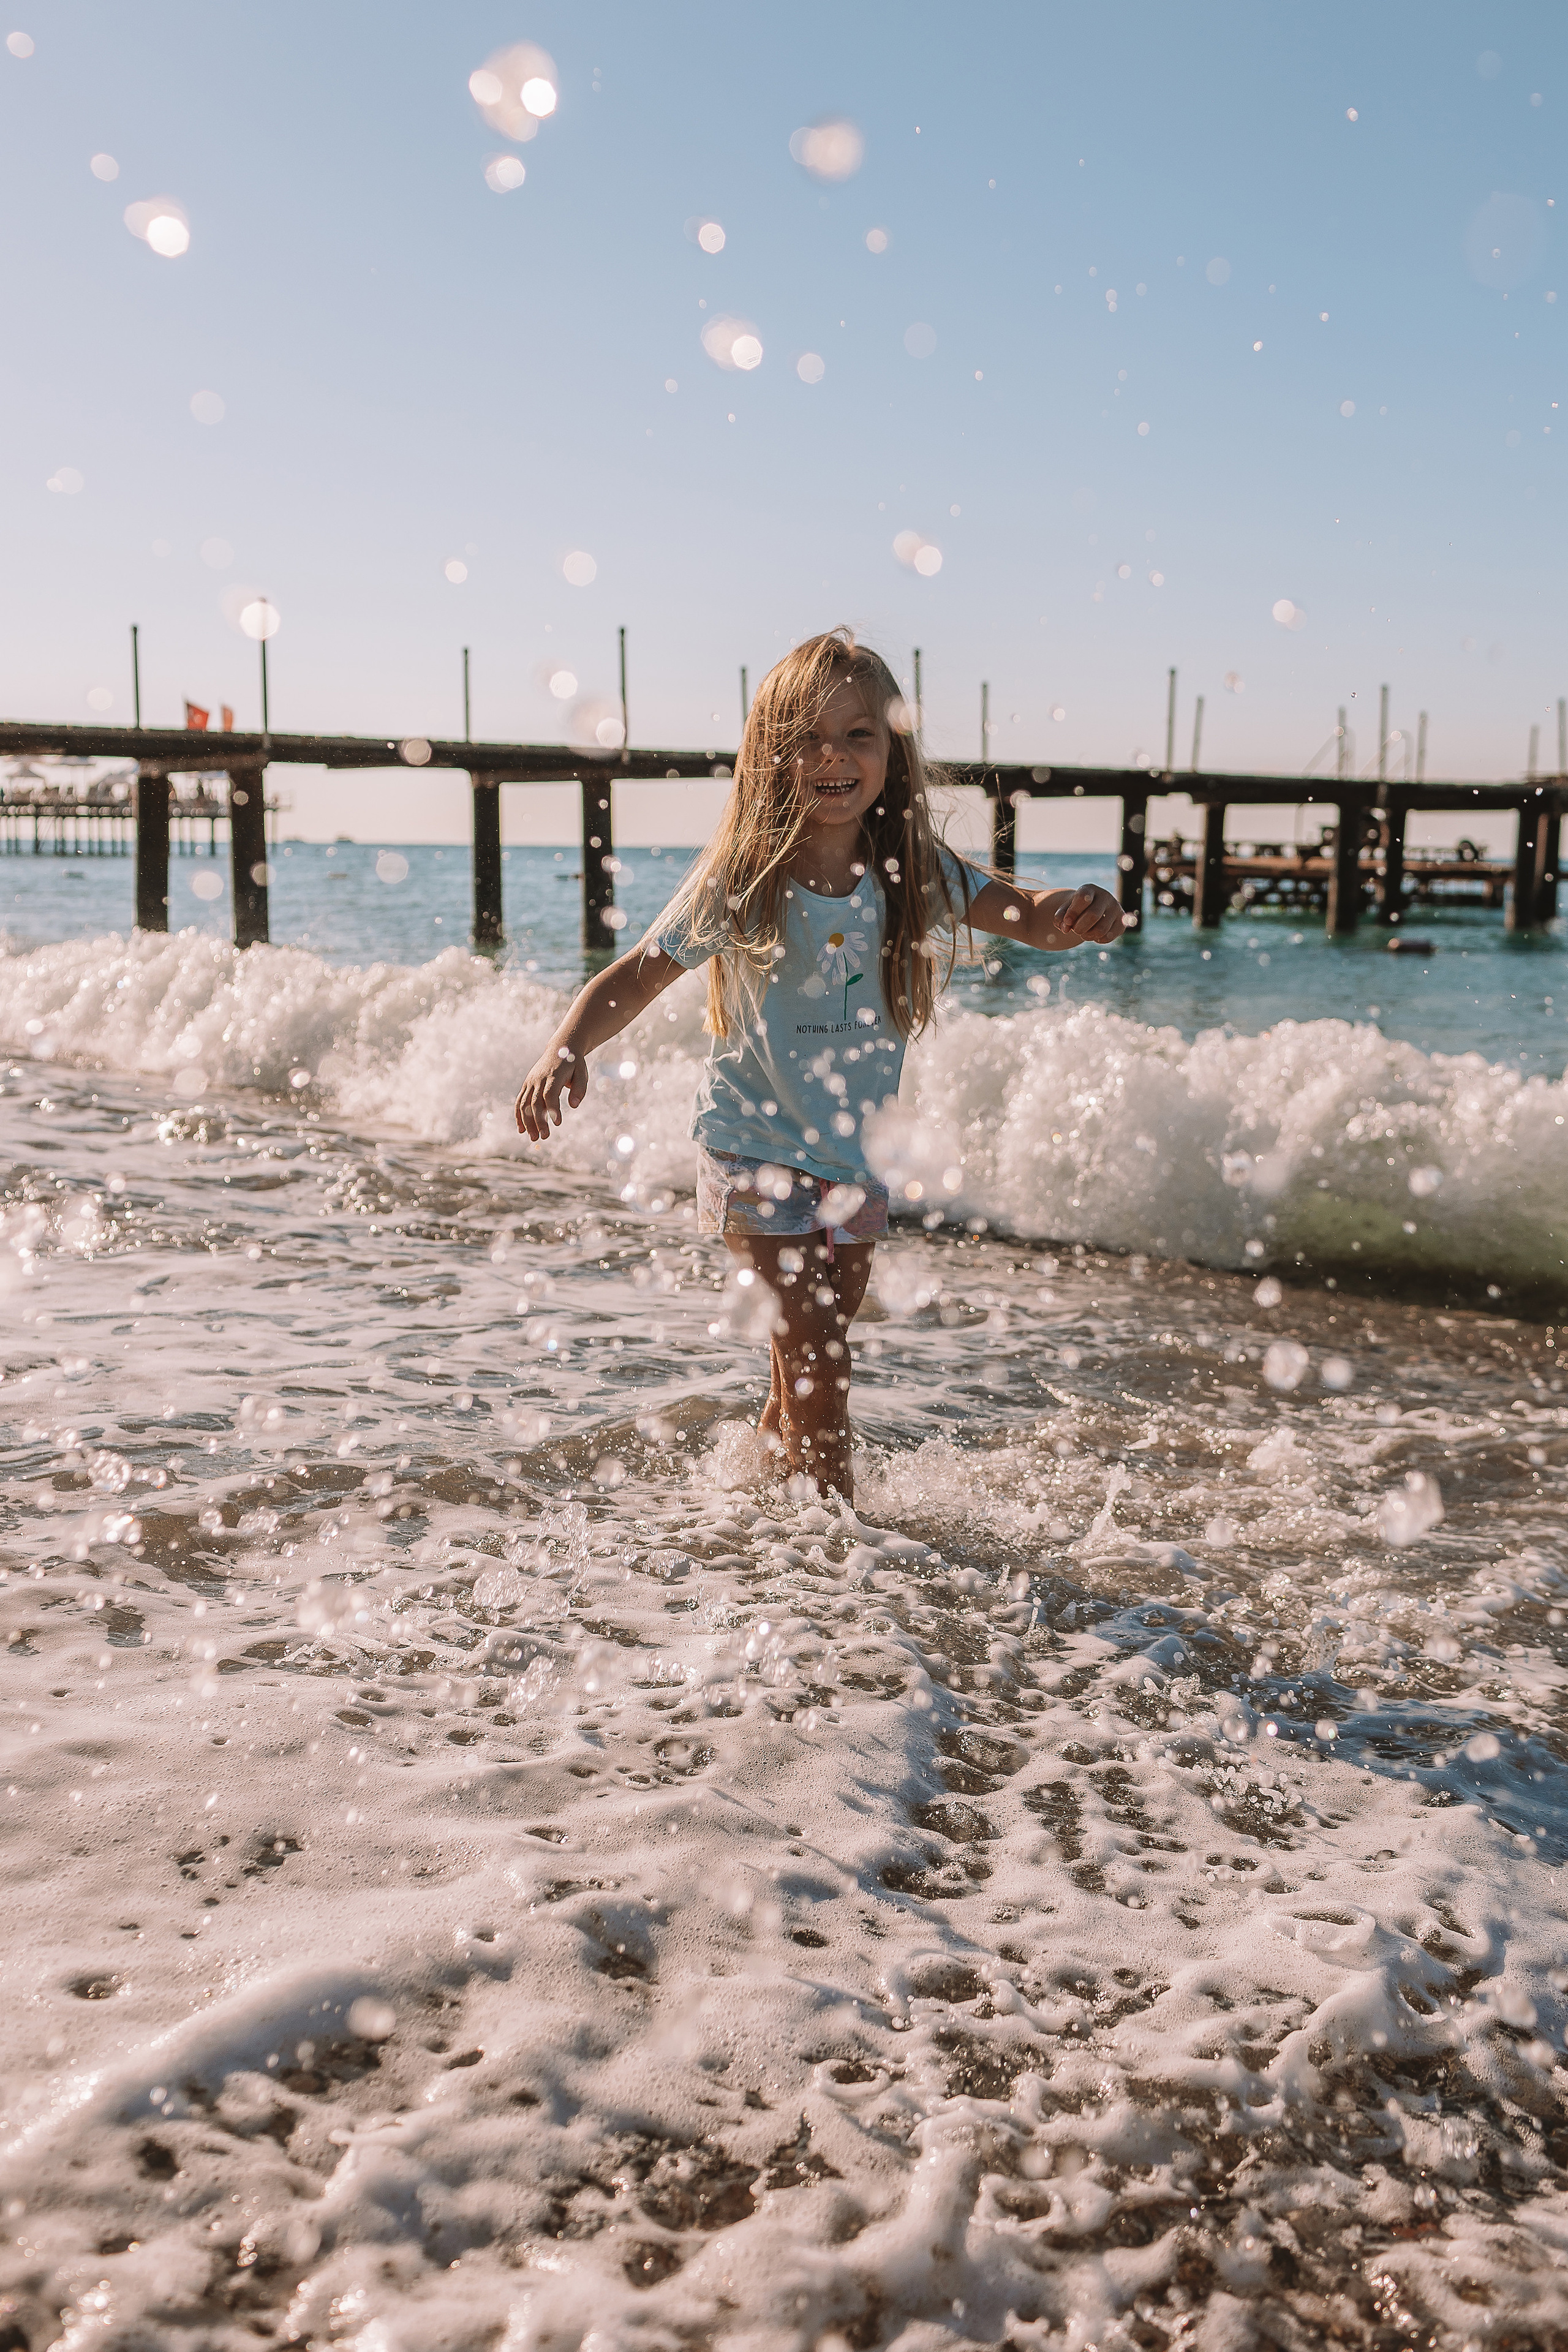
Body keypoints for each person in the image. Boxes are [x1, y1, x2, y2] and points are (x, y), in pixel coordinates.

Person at [515, 629, 1124, 1501]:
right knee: (820, 1358)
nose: (832, 755)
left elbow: (1023, 914)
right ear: (772, 755)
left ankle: (760, 1520)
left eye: (858, 736)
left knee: (804, 1358)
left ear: (891, 753)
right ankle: (845, 1554)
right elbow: (641, 971)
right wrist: (566, 1045)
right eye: (807, 737)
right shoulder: (747, 874)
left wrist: (1074, 910)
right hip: (752, 1147)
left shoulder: (908, 869)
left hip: (852, 1159)